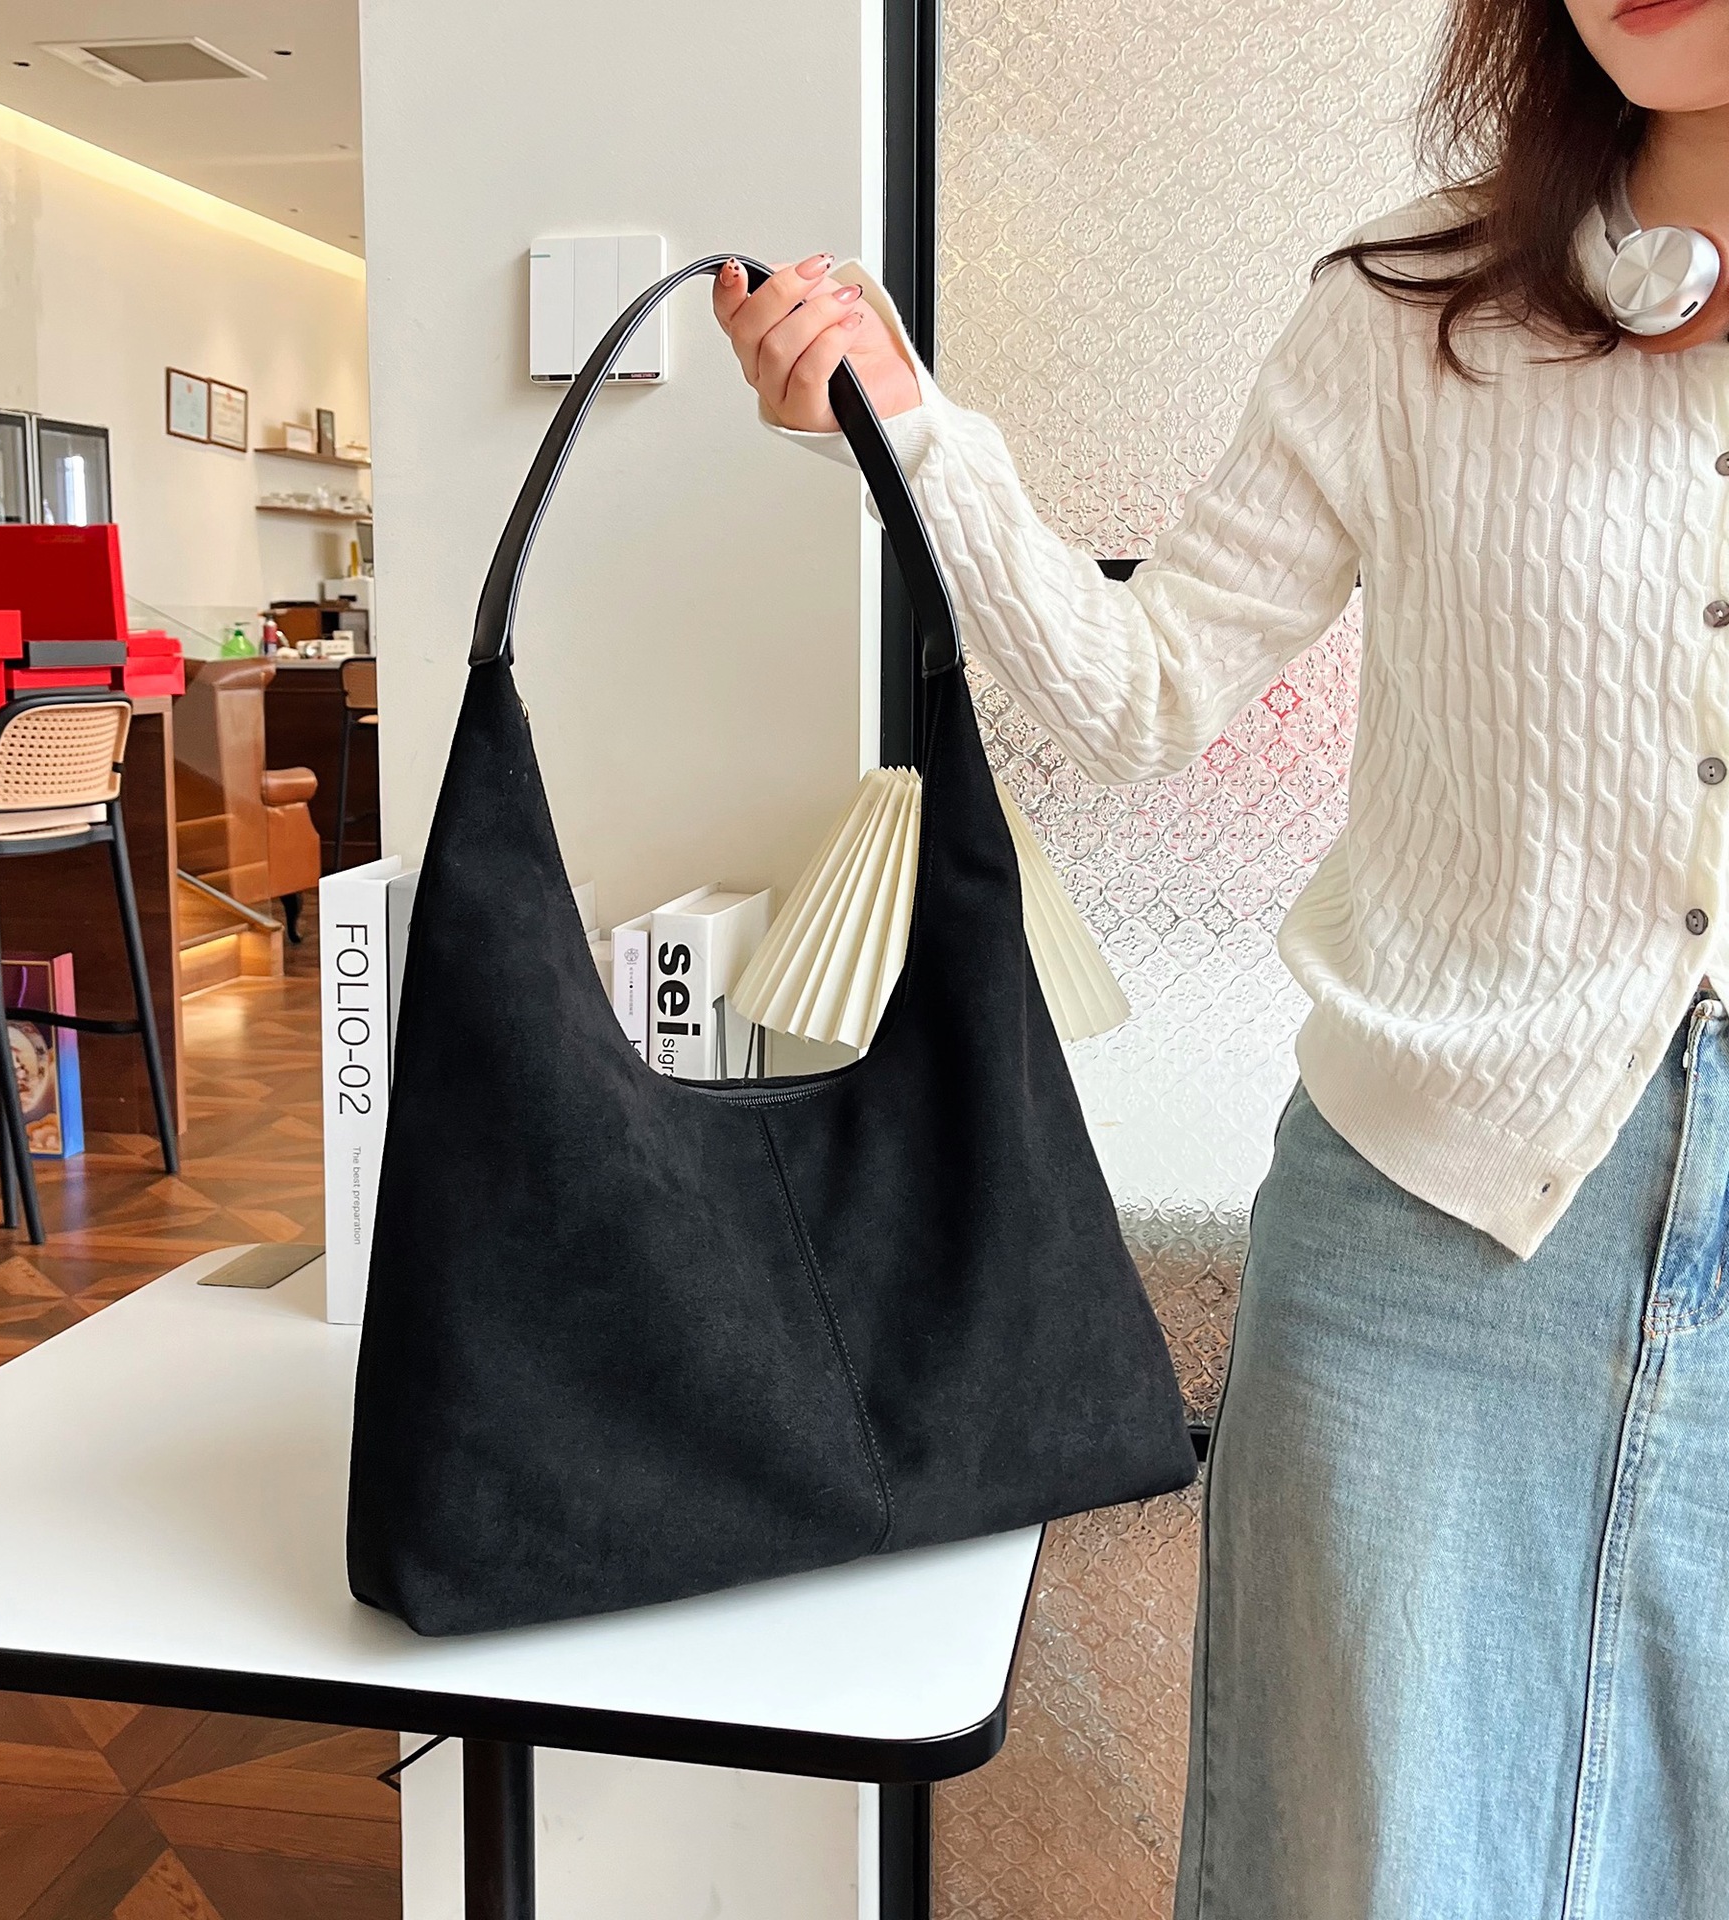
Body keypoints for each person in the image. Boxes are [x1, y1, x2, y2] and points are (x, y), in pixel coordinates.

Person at [716, 1, 1729, 1915]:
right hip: (1429, 1225)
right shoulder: (1413, 306)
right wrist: (907, 426)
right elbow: (1145, 690)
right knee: (1363, 1864)